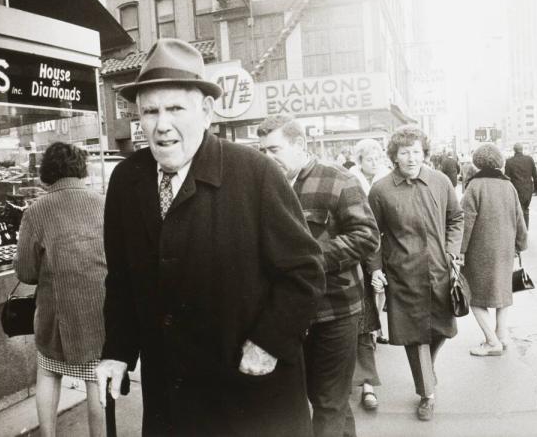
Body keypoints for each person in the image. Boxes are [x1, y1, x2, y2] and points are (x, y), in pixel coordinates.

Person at [95, 38, 324, 436]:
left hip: (247, 395)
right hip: (172, 398)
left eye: (175, 109)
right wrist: (117, 352)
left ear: (205, 112)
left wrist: (268, 342)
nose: (162, 124)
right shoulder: (126, 180)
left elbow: (305, 272)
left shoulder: (255, 173)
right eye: (150, 111)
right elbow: (122, 282)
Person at [258, 115, 380, 437]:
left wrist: (306, 260)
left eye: (274, 149)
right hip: (286, 314)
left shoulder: (338, 179)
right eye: (262, 151)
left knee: (328, 402)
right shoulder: (262, 184)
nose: (267, 158)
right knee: (317, 402)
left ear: (300, 145)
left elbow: (367, 237)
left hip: (336, 310)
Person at [367, 125, 463, 422]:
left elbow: (456, 218)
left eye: (417, 152)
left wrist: (451, 252)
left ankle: (427, 372)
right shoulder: (381, 189)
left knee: (442, 329)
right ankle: (427, 394)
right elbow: (372, 234)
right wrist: (376, 268)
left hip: (439, 271)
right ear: (394, 156)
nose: (411, 159)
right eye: (404, 153)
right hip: (403, 275)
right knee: (414, 335)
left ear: (425, 153)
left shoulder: (440, 181)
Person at [16, 143, 108, 437]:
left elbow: (27, 273)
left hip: (56, 318)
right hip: (101, 310)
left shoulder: (37, 210)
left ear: (47, 172)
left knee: (47, 372)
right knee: (98, 380)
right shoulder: (104, 203)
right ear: (82, 169)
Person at [461, 144, 528, 356]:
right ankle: (502, 335)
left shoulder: (474, 186)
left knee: (472, 295)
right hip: (505, 248)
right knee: (502, 290)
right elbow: (519, 218)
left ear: (477, 162)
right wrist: (520, 244)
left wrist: (459, 251)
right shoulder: (508, 186)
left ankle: (491, 342)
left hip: (480, 250)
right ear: (499, 161)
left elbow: (465, 222)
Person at [351, 138, 392, 402]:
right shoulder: (351, 180)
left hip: (377, 249)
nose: (374, 162)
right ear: (359, 161)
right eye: (369, 158)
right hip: (357, 253)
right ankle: (362, 384)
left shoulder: (384, 181)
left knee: (375, 296)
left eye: (377, 158)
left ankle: (366, 384)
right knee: (359, 319)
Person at [503, 142, 537, 227]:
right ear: (522, 149)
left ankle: (519, 232)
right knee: (526, 210)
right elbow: (535, 175)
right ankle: (525, 231)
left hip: (515, 190)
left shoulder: (509, 161)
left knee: (517, 211)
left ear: (514, 150)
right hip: (528, 190)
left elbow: (506, 178)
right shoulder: (529, 159)